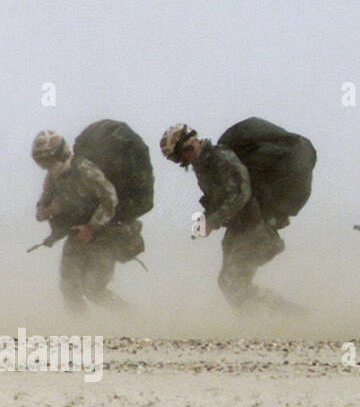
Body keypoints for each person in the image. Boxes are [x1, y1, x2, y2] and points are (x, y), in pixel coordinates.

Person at [160, 123, 296, 313]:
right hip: (238, 230)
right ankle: (281, 318)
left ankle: (285, 319)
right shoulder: (205, 166)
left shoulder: (220, 158)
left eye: (180, 157)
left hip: (254, 229)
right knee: (228, 283)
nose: (183, 163)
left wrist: (211, 222)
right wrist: (205, 221)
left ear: (188, 147)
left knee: (234, 282)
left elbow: (242, 193)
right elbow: (217, 200)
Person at [31, 130, 135, 312]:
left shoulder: (85, 169)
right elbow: (40, 212)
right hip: (76, 236)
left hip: (104, 236)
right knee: (69, 288)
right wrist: (51, 210)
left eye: (48, 160)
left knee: (94, 289)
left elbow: (110, 198)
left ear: (60, 154)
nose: (46, 166)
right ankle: (79, 331)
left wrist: (92, 227)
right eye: (41, 162)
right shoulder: (53, 177)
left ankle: (133, 320)